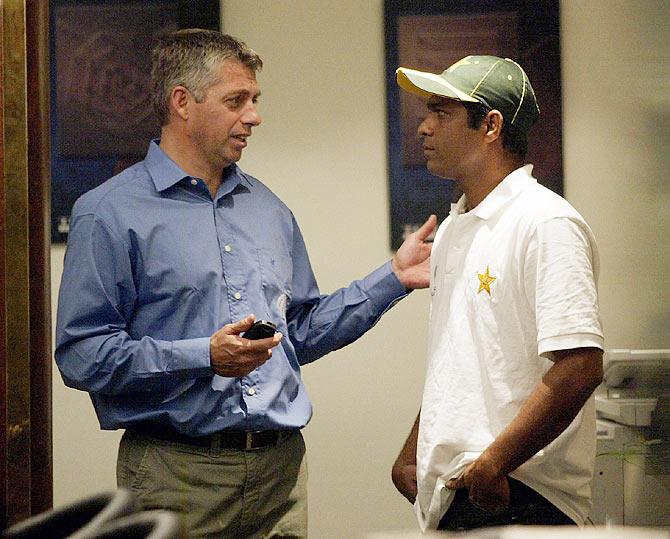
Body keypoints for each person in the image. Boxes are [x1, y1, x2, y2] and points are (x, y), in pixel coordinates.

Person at [55, 29, 436, 538]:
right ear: (182, 103)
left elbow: (295, 334)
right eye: (237, 100)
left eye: (255, 100)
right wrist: (203, 356)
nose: (253, 116)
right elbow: (81, 354)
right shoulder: (107, 213)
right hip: (176, 474)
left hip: (281, 475)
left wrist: (392, 279)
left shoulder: (268, 209)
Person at [391, 56, 604, 532]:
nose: (423, 127)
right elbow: (464, 357)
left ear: (490, 126)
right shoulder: (452, 231)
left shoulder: (546, 222)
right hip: (462, 489)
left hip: (523, 493)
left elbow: (580, 366)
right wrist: (416, 449)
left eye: (441, 113)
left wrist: (494, 462)